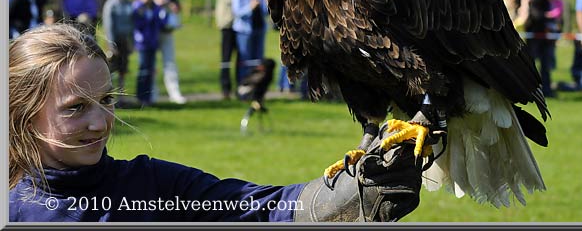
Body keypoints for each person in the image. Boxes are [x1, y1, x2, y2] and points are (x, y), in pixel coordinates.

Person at [9, 23, 425, 222]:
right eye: (75, 108)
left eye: (105, 101)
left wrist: (346, 196)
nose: (101, 122)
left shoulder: (152, 188)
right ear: (24, 114)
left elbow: (263, 210)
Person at [135, 0, 186, 104]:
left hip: (165, 31)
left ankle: (174, 93)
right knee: (150, 65)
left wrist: (165, 3)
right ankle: (152, 94)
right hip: (149, 34)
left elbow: (177, 7)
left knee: (169, 62)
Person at [232, 0, 269, 85]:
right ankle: (244, 86)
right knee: (245, 60)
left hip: (259, 30)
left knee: (258, 61)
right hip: (244, 31)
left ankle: (255, 86)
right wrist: (250, 7)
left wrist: (267, 2)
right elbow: (236, 11)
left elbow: (265, 12)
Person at [215, 0, 244, 100]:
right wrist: (244, 0)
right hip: (227, 23)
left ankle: (240, 86)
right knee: (226, 58)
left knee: (241, 57)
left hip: (240, 24)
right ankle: (225, 88)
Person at [132, 0, 167, 106]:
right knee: (143, 69)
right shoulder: (138, 7)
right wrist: (146, 16)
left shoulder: (154, 8)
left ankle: (148, 97)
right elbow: (138, 23)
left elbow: (161, 22)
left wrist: (163, 9)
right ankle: (141, 96)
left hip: (153, 42)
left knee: (150, 70)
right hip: (143, 43)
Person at [521, 0, 554, 98]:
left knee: (546, 66)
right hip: (532, 37)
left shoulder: (545, 0)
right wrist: (547, 16)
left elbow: (553, 14)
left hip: (545, 37)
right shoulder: (528, 0)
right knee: (531, 66)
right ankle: (531, 91)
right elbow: (536, 16)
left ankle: (547, 90)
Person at [102, 0, 134, 93]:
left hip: (125, 40)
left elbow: (131, 24)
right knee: (111, 69)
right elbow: (108, 26)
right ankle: (108, 95)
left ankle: (121, 95)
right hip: (114, 41)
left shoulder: (128, 3)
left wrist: (132, 41)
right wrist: (111, 45)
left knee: (123, 70)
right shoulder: (110, 5)